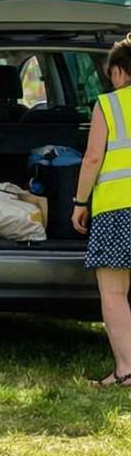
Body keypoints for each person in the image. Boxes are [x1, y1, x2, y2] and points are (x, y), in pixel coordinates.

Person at [72, 34, 131, 386]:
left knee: (113, 291)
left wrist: (80, 203)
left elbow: (93, 157)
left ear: (119, 72)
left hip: (117, 209)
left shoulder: (108, 105)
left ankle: (126, 370)